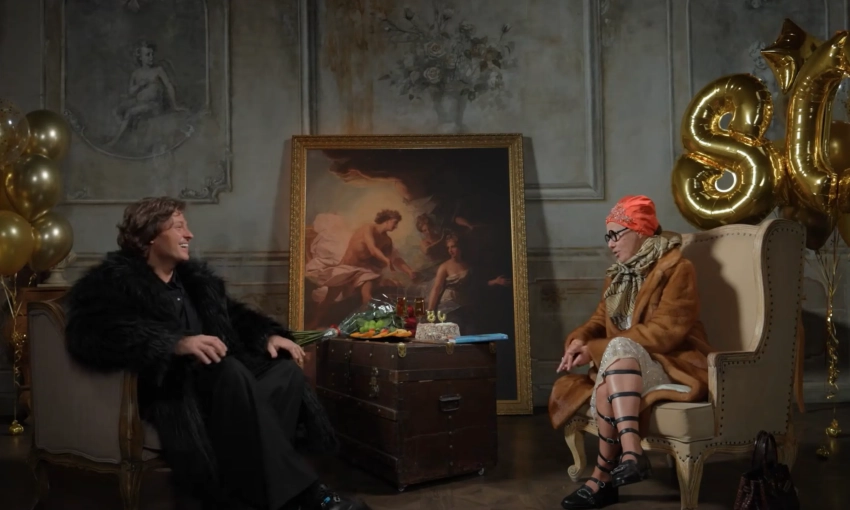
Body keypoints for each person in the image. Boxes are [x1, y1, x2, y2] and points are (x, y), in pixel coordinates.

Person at [64, 197, 369, 510]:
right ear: (151, 235)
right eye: (178, 226)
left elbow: (235, 317)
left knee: (285, 372)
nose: (189, 234)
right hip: (172, 390)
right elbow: (90, 334)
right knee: (231, 370)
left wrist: (269, 334)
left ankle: (253, 491)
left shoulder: (197, 283)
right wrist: (172, 343)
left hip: (221, 387)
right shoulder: (114, 283)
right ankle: (307, 494)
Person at [549, 195, 713, 510]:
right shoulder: (618, 274)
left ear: (640, 230)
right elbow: (599, 320)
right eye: (607, 236)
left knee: (617, 352)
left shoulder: (677, 268)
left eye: (616, 234)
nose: (610, 243)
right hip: (624, 368)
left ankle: (609, 473)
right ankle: (622, 464)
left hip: (670, 363)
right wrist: (580, 340)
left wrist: (597, 350)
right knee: (608, 382)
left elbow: (666, 331)